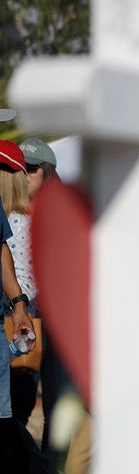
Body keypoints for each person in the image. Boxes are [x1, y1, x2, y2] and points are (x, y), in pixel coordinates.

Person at [0, 141, 36, 424]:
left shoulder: (14, 220)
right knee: (15, 412)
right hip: (21, 311)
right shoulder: (30, 219)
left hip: (10, 313)